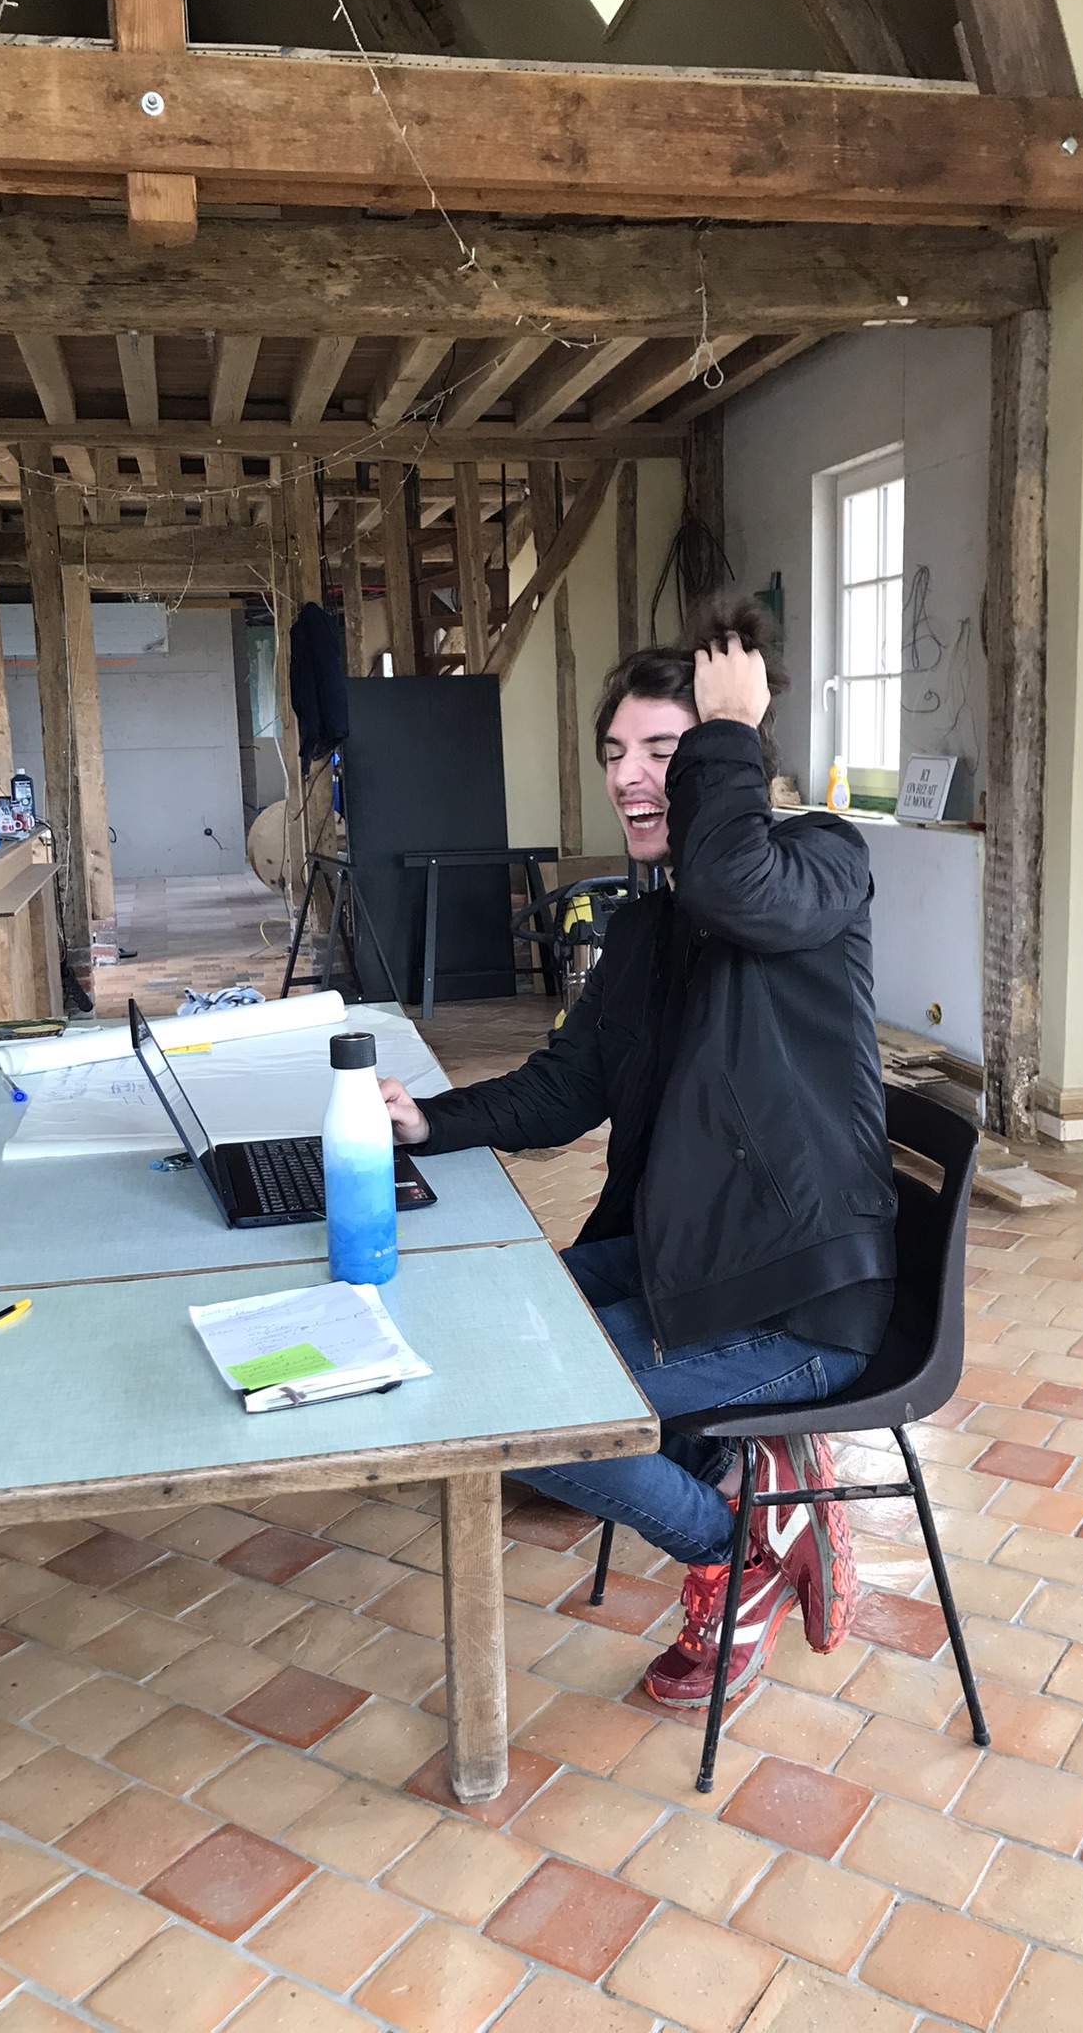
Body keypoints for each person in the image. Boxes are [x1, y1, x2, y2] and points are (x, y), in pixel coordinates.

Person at [381, 601, 897, 1709]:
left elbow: (737, 884)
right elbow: (569, 1086)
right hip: (687, 1258)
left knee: (514, 1413)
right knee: (479, 1339)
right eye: (615, 753)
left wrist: (732, 729)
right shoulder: (651, 925)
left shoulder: (822, 862)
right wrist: (428, 1119)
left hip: (798, 1296)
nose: (628, 777)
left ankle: (733, 1551)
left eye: (664, 749)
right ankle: (743, 1477)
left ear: (729, 758)